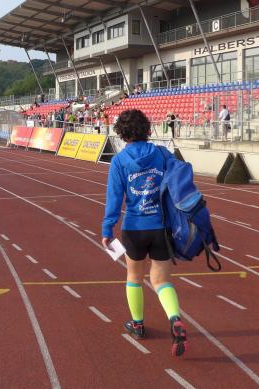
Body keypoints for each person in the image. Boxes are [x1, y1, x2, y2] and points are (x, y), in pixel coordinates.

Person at [101, 109, 187, 356]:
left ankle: (137, 324)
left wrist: (107, 228)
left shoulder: (119, 161)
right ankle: (174, 318)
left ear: (122, 133)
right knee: (162, 281)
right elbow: (180, 178)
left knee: (134, 277)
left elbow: (114, 198)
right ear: (147, 129)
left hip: (134, 228)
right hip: (161, 226)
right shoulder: (162, 153)